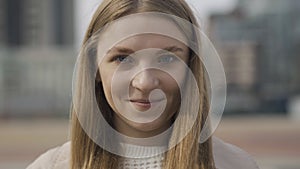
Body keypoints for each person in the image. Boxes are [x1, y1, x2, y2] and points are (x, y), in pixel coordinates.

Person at [27, 0, 259, 169]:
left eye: (167, 58)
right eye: (122, 58)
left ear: (191, 67)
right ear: (94, 69)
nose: (145, 82)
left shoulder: (237, 165)